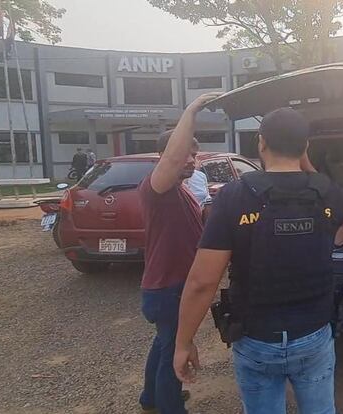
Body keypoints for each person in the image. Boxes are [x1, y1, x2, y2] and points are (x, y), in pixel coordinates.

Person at [173, 108, 343, 414]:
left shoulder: (234, 197)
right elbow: (334, 202)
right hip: (313, 333)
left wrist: (183, 342)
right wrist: (304, 159)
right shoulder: (328, 193)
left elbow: (202, 282)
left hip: (257, 337)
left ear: (261, 143)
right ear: (305, 146)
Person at [137, 92, 221, 414]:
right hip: (168, 289)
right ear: (164, 156)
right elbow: (172, 161)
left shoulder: (180, 189)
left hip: (170, 287)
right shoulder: (156, 188)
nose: (189, 160)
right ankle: (169, 406)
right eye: (184, 154)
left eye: (194, 155)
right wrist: (192, 111)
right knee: (173, 350)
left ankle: (150, 399)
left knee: (164, 343)